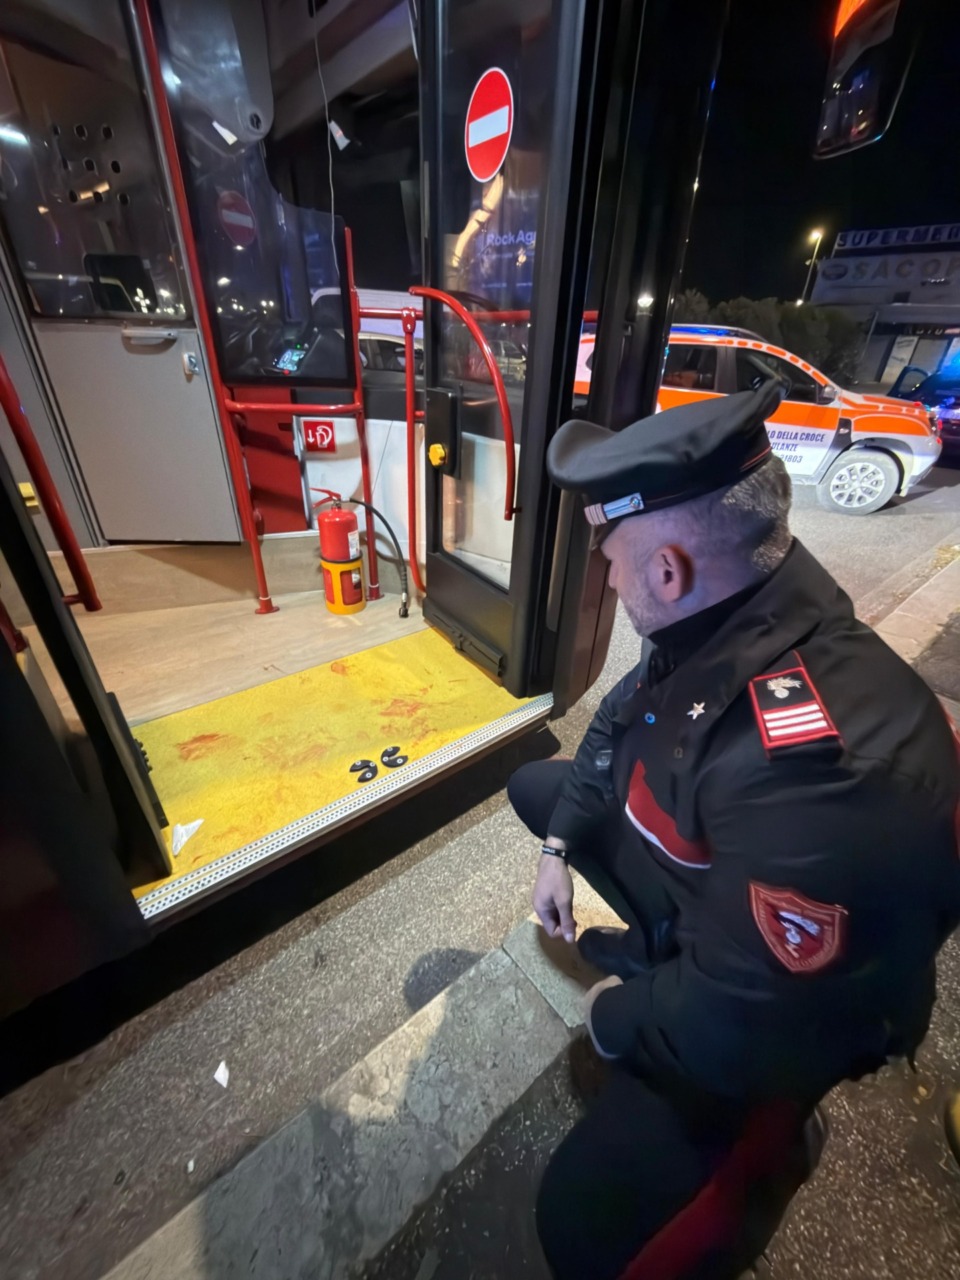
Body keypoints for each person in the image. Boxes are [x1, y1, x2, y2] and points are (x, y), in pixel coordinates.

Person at [508, 384, 960, 1279]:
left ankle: (777, 1145)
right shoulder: (727, 609)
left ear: (667, 568)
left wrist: (617, 1018)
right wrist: (559, 847)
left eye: (608, 553)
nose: (603, 573)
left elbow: (741, 1023)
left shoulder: (823, 771)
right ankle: (662, 950)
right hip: (723, 907)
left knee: (575, 1226)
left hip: (792, 1021)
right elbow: (617, 726)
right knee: (542, 790)